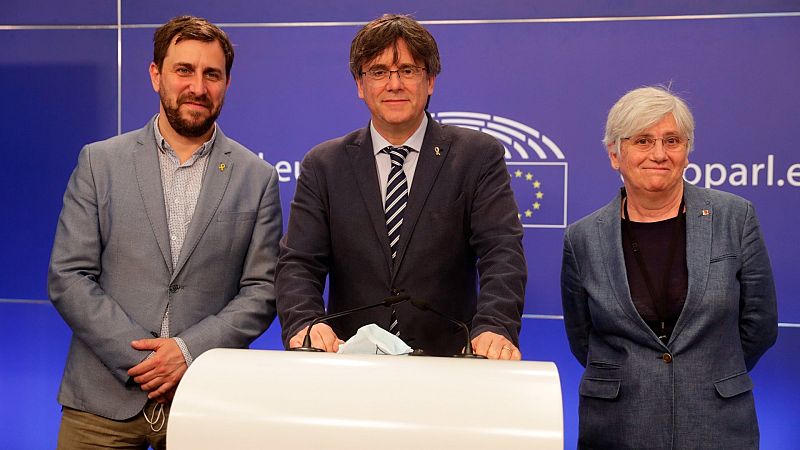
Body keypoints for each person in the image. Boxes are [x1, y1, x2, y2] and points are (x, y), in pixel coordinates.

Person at [48, 15, 282, 449]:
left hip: (206, 403)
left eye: (212, 74)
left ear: (227, 83)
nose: (198, 87)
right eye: (184, 70)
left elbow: (261, 290)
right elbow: (69, 276)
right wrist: (145, 359)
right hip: (100, 404)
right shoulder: (100, 162)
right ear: (156, 75)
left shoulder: (257, 177)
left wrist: (187, 351)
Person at [276, 14, 526, 359]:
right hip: (349, 363)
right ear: (360, 85)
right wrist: (305, 322)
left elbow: (502, 253)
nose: (394, 84)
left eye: (408, 70)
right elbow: (299, 263)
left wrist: (494, 326)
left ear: (430, 80)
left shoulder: (477, 156)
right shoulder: (324, 165)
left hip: (449, 362)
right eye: (378, 72)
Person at [561, 86, 778, 449]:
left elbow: (760, 324)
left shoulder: (734, 217)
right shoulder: (582, 238)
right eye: (642, 141)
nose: (659, 154)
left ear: (687, 151)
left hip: (717, 425)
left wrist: (711, 373)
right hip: (618, 429)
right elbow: (583, 338)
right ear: (615, 154)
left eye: (672, 140)